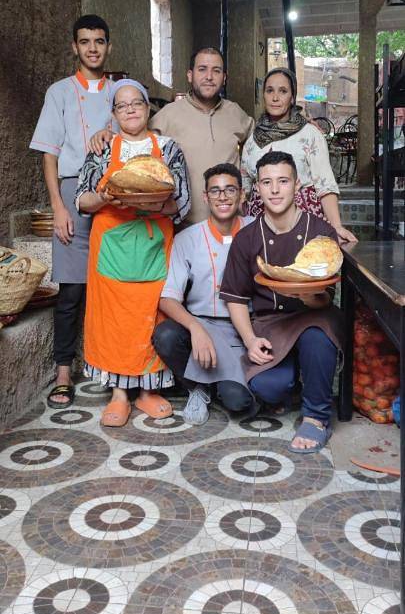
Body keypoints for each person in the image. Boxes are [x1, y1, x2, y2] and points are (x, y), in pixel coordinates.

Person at [75, 79, 190, 426]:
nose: (130, 110)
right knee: (113, 322)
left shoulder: (169, 149)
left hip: (154, 244)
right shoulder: (101, 148)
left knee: (151, 317)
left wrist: (153, 202)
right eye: (121, 105)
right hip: (110, 246)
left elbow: (181, 202)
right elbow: (82, 199)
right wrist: (106, 197)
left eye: (136, 103)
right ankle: (119, 394)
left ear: (147, 107)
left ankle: (147, 391)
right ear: (113, 113)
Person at [220, 150, 345, 453]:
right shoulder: (247, 238)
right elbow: (236, 298)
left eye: (283, 181)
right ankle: (298, 382)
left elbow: (325, 298)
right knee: (268, 388)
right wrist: (250, 340)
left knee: (316, 340)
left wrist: (304, 294)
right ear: (257, 189)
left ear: (297, 185)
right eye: (267, 182)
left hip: (314, 316)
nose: (275, 190)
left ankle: (316, 416)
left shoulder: (321, 233)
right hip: (271, 324)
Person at [30, 15, 115, 409]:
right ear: (74, 47)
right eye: (85, 42)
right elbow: (49, 153)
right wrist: (58, 206)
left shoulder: (121, 93)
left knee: (114, 286)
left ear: (108, 47)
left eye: (99, 41)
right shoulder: (59, 92)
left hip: (112, 193)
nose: (92, 48)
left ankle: (115, 369)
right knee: (71, 290)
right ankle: (64, 371)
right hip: (70, 190)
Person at [90, 47, 254, 225]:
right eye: (202, 69)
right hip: (185, 226)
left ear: (224, 77)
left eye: (216, 71)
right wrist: (109, 134)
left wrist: (246, 189)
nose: (209, 76)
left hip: (230, 224)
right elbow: (135, 136)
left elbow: (261, 147)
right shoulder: (168, 115)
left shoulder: (236, 113)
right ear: (190, 75)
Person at [152, 164, 255, 425]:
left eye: (230, 189)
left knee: (239, 402)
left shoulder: (257, 231)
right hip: (202, 324)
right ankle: (197, 387)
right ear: (205, 197)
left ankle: (217, 384)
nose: (223, 197)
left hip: (244, 328)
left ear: (242, 195)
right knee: (165, 335)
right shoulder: (188, 238)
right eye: (215, 191)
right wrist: (195, 328)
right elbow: (167, 297)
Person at [241, 67, 356, 244]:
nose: (275, 97)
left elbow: (325, 185)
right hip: (261, 227)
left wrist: (336, 227)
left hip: (304, 224)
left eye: (283, 91)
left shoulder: (310, 134)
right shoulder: (252, 140)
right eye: (269, 90)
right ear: (263, 95)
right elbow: (245, 192)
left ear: (292, 97)